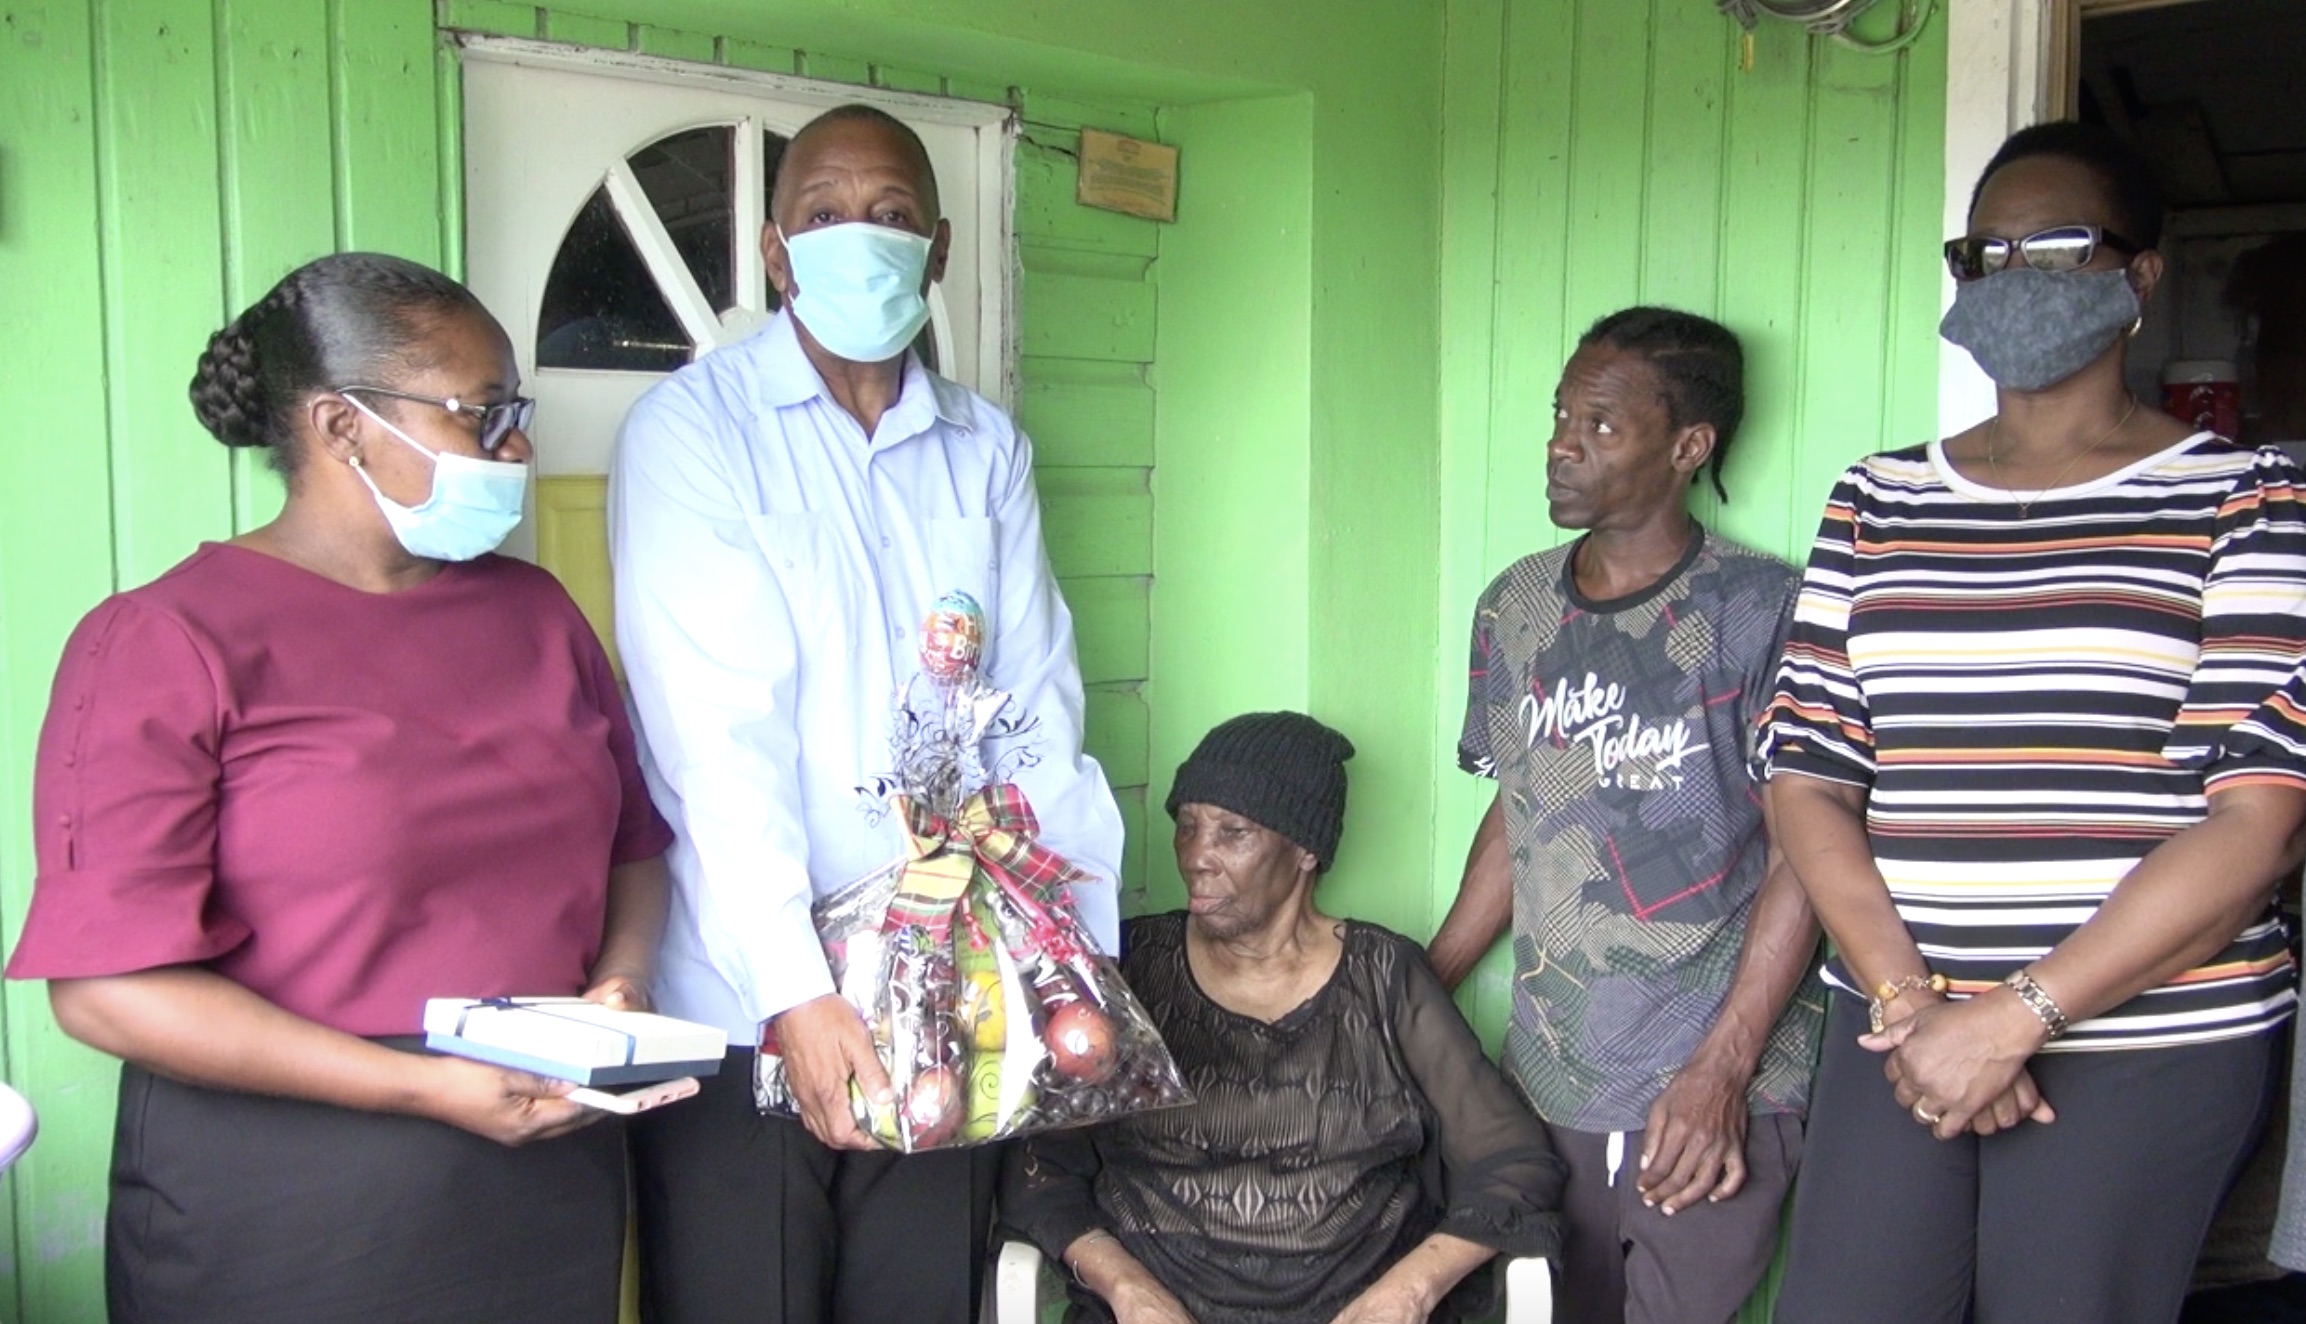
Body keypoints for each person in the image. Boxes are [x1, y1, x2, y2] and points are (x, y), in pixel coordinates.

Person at [4, 251, 674, 1324]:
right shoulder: (166, 640)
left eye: (517, 412)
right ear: (340, 425)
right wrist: (423, 1085)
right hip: (288, 1216)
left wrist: (621, 985)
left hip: (542, 1188)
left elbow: (632, 848)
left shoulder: (536, 613)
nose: (518, 446)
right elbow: (107, 989)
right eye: (482, 413)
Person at [1760, 121, 2306, 1324]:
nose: (2013, 276)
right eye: (1985, 253)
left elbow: (2258, 819)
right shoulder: (1876, 497)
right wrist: (1913, 1005)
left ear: (2138, 276)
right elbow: (1806, 774)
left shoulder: (2245, 498)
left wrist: (2018, 1015)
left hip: (2145, 1035)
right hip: (1895, 1026)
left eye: (2055, 247)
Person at [610, 103, 1125, 1324]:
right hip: (750, 998)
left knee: (919, 1298)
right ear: (776, 250)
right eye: (825, 214)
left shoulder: (983, 449)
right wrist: (792, 989)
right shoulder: (695, 432)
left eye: (890, 214)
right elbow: (714, 739)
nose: (860, 235)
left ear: (937, 248)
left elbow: (1034, 709)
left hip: (946, 983)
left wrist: (1070, 962)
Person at [1425, 306, 1823, 1324]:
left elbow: (1806, 856)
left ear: (1688, 446)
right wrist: (1418, 995)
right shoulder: (1514, 606)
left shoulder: (1762, 612)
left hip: (1711, 1088)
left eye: (1600, 424)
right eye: (1562, 416)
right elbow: (1523, 809)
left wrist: (1720, 1072)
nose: (1563, 443)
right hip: (1544, 1082)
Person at [1003, 711, 1566, 1324]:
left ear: (1305, 850)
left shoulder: (1384, 976)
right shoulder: (1132, 969)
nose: (1197, 856)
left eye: (1232, 832)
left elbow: (1514, 1163)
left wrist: (1410, 1290)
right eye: (1187, 826)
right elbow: (1041, 1168)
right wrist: (1128, 1291)